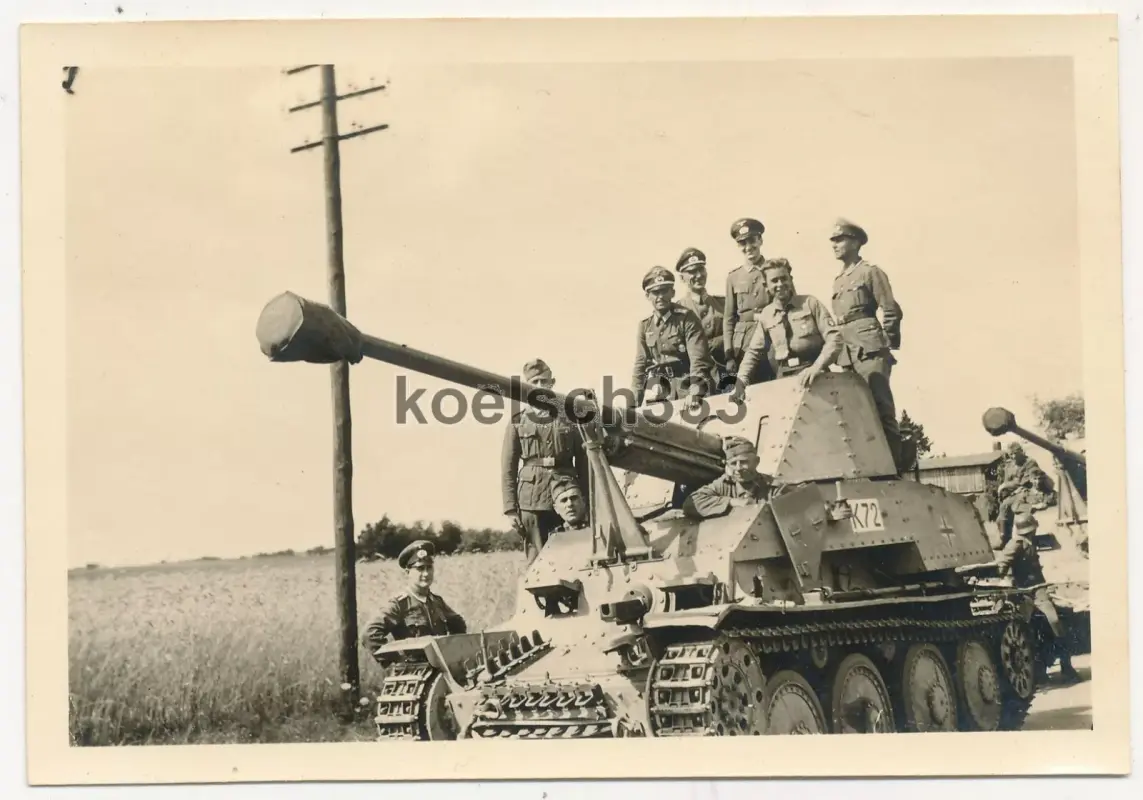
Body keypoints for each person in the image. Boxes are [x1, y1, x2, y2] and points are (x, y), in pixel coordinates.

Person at [828, 218, 905, 471]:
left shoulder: (870, 272)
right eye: (834, 241)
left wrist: (887, 341)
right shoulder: (838, 280)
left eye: (840, 240)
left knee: (881, 408)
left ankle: (895, 466)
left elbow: (890, 309)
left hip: (870, 348)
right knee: (857, 412)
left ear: (856, 242)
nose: (835, 245)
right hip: (848, 353)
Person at [501, 358, 588, 564]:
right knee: (537, 561)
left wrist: (587, 499)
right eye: (535, 382)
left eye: (544, 382)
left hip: (568, 496)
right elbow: (508, 468)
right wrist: (510, 509)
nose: (540, 387)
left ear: (552, 383)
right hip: (532, 500)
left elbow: (584, 463)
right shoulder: (517, 421)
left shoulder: (570, 418)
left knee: (575, 556)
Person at [731, 258, 843, 398]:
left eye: (784, 279)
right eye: (774, 280)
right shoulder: (767, 314)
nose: (780, 284)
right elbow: (753, 352)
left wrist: (816, 367)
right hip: (784, 380)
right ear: (766, 286)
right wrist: (740, 381)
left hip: (815, 376)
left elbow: (834, 338)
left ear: (791, 280)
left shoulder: (810, 303)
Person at [993, 514, 1080, 683]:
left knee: (1055, 625)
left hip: (1039, 590)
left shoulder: (1028, 543)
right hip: (1027, 593)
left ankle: (1065, 667)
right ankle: (1045, 670)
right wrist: (1003, 578)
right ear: (1030, 529)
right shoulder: (1016, 544)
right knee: (1047, 624)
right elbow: (1003, 563)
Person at [361, 540, 467, 661]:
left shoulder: (436, 601)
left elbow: (459, 625)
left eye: (429, 567)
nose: (426, 574)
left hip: (441, 669)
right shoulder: (399, 604)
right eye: (420, 569)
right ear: (408, 573)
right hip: (415, 674)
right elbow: (369, 635)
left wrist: (453, 653)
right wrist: (398, 662)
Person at [630, 266, 716, 407]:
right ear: (648, 296)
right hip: (661, 391)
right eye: (655, 292)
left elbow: (698, 359)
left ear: (672, 292)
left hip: (688, 386)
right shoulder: (645, 326)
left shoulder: (687, 318)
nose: (660, 297)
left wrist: (695, 391)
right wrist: (632, 403)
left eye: (664, 291)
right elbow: (640, 366)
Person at [723, 218, 775, 384]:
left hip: (771, 338)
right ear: (738, 246)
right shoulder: (733, 277)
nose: (748, 247)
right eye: (743, 243)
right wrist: (729, 353)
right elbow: (729, 317)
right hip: (744, 344)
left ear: (760, 240)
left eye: (752, 240)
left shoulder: (774, 270)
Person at [675, 247, 729, 390]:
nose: (698, 275)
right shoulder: (677, 312)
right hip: (696, 382)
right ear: (682, 277)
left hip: (728, 375)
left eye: (701, 269)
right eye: (692, 272)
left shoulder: (724, 304)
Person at [682, 436, 772, 519]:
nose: (738, 468)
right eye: (733, 464)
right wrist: (732, 502)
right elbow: (690, 504)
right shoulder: (724, 484)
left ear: (756, 462)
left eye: (743, 462)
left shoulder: (774, 488)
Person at [995, 442, 1056, 547]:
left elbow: (1025, 481)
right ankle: (1004, 537)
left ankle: (1005, 539)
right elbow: (1006, 480)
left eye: (1014, 453)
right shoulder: (1009, 465)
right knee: (1001, 516)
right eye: (1010, 454)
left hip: (1026, 491)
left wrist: (1005, 485)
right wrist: (1004, 488)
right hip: (1013, 493)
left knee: (1008, 506)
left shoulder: (1029, 463)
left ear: (1021, 452)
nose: (1012, 456)